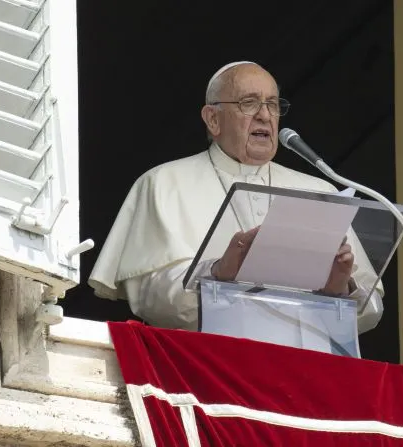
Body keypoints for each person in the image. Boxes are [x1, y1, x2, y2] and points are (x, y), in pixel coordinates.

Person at [88, 61, 383, 339]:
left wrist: (340, 288)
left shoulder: (320, 192)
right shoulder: (163, 182)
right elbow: (148, 295)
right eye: (249, 103)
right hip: (207, 365)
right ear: (213, 119)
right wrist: (218, 273)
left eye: (272, 104)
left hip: (305, 364)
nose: (265, 116)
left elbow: (372, 307)